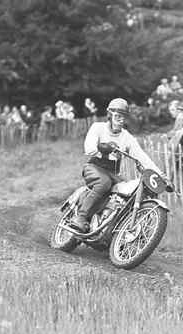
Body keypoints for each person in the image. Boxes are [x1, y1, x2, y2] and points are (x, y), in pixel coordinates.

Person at [67, 98, 168, 234]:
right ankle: (81, 216)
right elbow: (88, 148)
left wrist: (162, 177)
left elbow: (143, 158)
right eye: (118, 116)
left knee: (128, 194)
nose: (121, 120)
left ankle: (113, 232)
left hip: (113, 173)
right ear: (109, 116)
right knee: (104, 182)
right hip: (94, 168)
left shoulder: (126, 137)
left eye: (123, 117)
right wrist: (105, 148)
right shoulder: (97, 127)